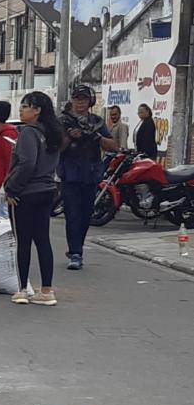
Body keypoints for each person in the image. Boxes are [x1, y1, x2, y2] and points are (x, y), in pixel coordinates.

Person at [4, 90, 63, 305]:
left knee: (23, 241)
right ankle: (46, 291)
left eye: (25, 106)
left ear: (37, 110)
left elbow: (27, 163)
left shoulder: (28, 132)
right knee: (43, 240)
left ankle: (21, 289)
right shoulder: (52, 133)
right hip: (47, 190)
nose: (21, 109)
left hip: (26, 192)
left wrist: (12, 189)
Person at [59, 84, 117, 270]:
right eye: (77, 99)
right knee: (72, 214)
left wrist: (96, 137)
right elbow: (55, 148)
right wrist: (69, 137)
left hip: (90, 174)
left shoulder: (97, 122)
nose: (80, 103)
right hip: (70, 174)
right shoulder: (63, 121)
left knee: (85, 215)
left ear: (90, 102)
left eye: (83, 99)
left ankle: (78, 248)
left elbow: (112, 146)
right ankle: (75, 252)